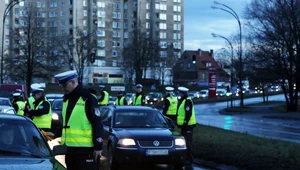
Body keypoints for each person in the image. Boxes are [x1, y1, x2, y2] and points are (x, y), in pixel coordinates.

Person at [54, 70, 104, 170]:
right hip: (70, 151)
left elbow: (97, 123)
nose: (63, 88)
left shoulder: (88, 98)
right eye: (61, 86)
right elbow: (68, 124)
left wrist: (98, 146)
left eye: (64, 85)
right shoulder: (67, 100)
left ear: (73, 82)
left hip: (86, 152)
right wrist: (54, 133)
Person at [176, 86, 196, 165]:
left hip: (188, 125)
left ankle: (189, 159)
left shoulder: (187, 101)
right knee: (184, 142)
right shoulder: (182, 100)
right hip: (184, 126)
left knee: (188, 142)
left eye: (180, 93)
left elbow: (188, 113)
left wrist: (185, 122)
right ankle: (185, 157)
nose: (179, 94)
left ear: (183, 93)